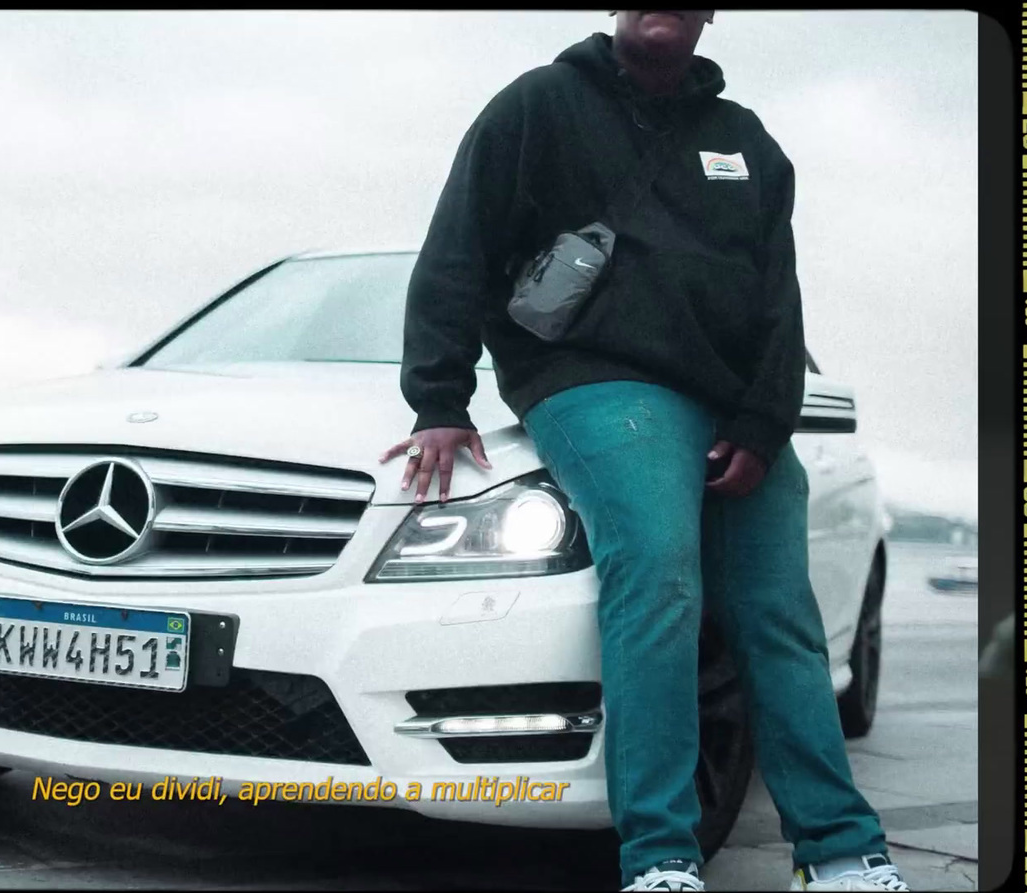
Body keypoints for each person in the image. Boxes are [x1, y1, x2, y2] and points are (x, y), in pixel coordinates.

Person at [382, 11, 908, 892]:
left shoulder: (748, 144)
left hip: (732, 401)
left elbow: (779, 298)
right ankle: (662, 855)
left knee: (781, 613)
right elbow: (459, 244)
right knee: (660, 573)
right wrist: (438, 397)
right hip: (595, 376)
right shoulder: (538, 106)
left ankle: (841, 850)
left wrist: (763, 420)